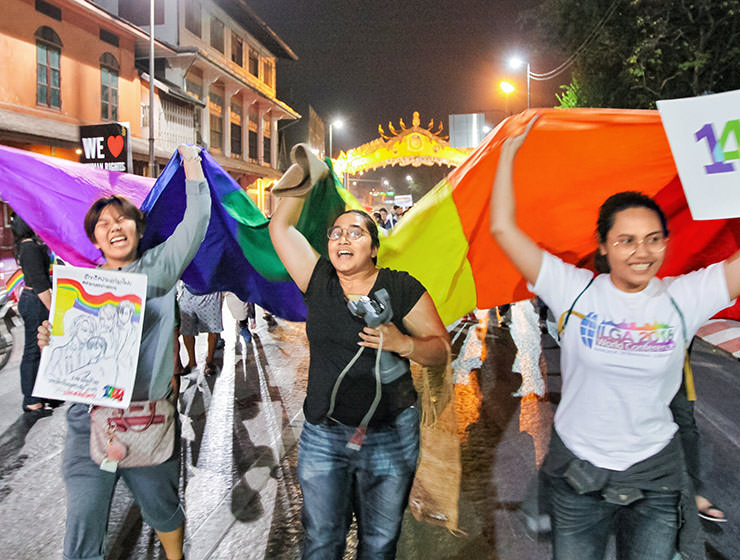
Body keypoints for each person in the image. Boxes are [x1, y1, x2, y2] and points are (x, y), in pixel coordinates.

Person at [489, 116, 740, 560]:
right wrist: (508, 154)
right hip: (578, 476)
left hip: (656, 478)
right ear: (603, 245)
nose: (641, 252)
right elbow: (503, 230)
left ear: (665, 243)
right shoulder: (573, 289)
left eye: (653, 239)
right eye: (626, 240)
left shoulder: (685, 296)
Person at [38, 144, 210, 560]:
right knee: (82, 523)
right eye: (103, 224)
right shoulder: (79, 285)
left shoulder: (159, 267)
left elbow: (197, 220)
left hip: (145, 417)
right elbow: (70, 351)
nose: (114, 227)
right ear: (94, 237)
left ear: (137, 226)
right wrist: (51, 338)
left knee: (163, 510)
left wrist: (191, 164)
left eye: (122, 219)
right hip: (88, 421)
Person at [269, 195, 449, 559]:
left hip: (391, 437)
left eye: (355, 233)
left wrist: (403, 343)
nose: (343, 239)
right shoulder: (318, 278)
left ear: (375, 249)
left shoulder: (401, 287)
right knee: (321, 541)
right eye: (336, 234)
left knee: (380, 543)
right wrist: (305, 177)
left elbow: (442, 350)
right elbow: (280, 226)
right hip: (324, 435)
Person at [11, 213, 54, 414]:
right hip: (36, 301)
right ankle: (31, 399)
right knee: (33, 351)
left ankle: (41, 395)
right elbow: (40, 285)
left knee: (39, 349)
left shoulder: (25, 247)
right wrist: (53, 309)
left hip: (31, 300)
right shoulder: (30, 249)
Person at [177, 285, 223, 375]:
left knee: (213, 329)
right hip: (188, 293)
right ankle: (191, 362)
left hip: (211, 293)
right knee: (186, 331)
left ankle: (209, 361)